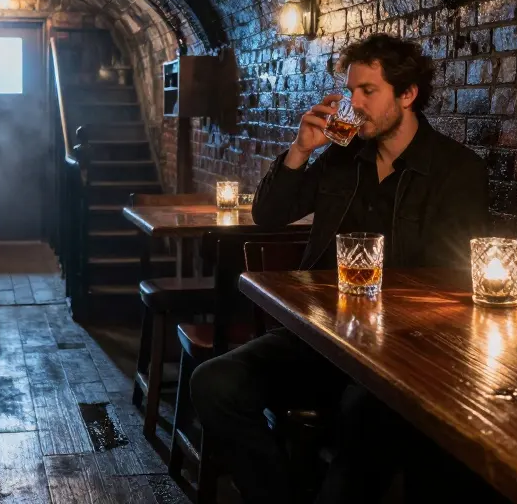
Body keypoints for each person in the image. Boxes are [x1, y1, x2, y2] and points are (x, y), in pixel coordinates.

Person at [189, 33, 490, 503]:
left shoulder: (456, 171)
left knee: (365, 412)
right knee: (214, 382)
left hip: (401, 352)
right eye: (350, 90)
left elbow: (452, 281)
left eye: (368, 91)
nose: (353, 103)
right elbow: (269, 215)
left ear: (407, 95)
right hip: (320, 336)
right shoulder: (343, 157)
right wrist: (300, 149)